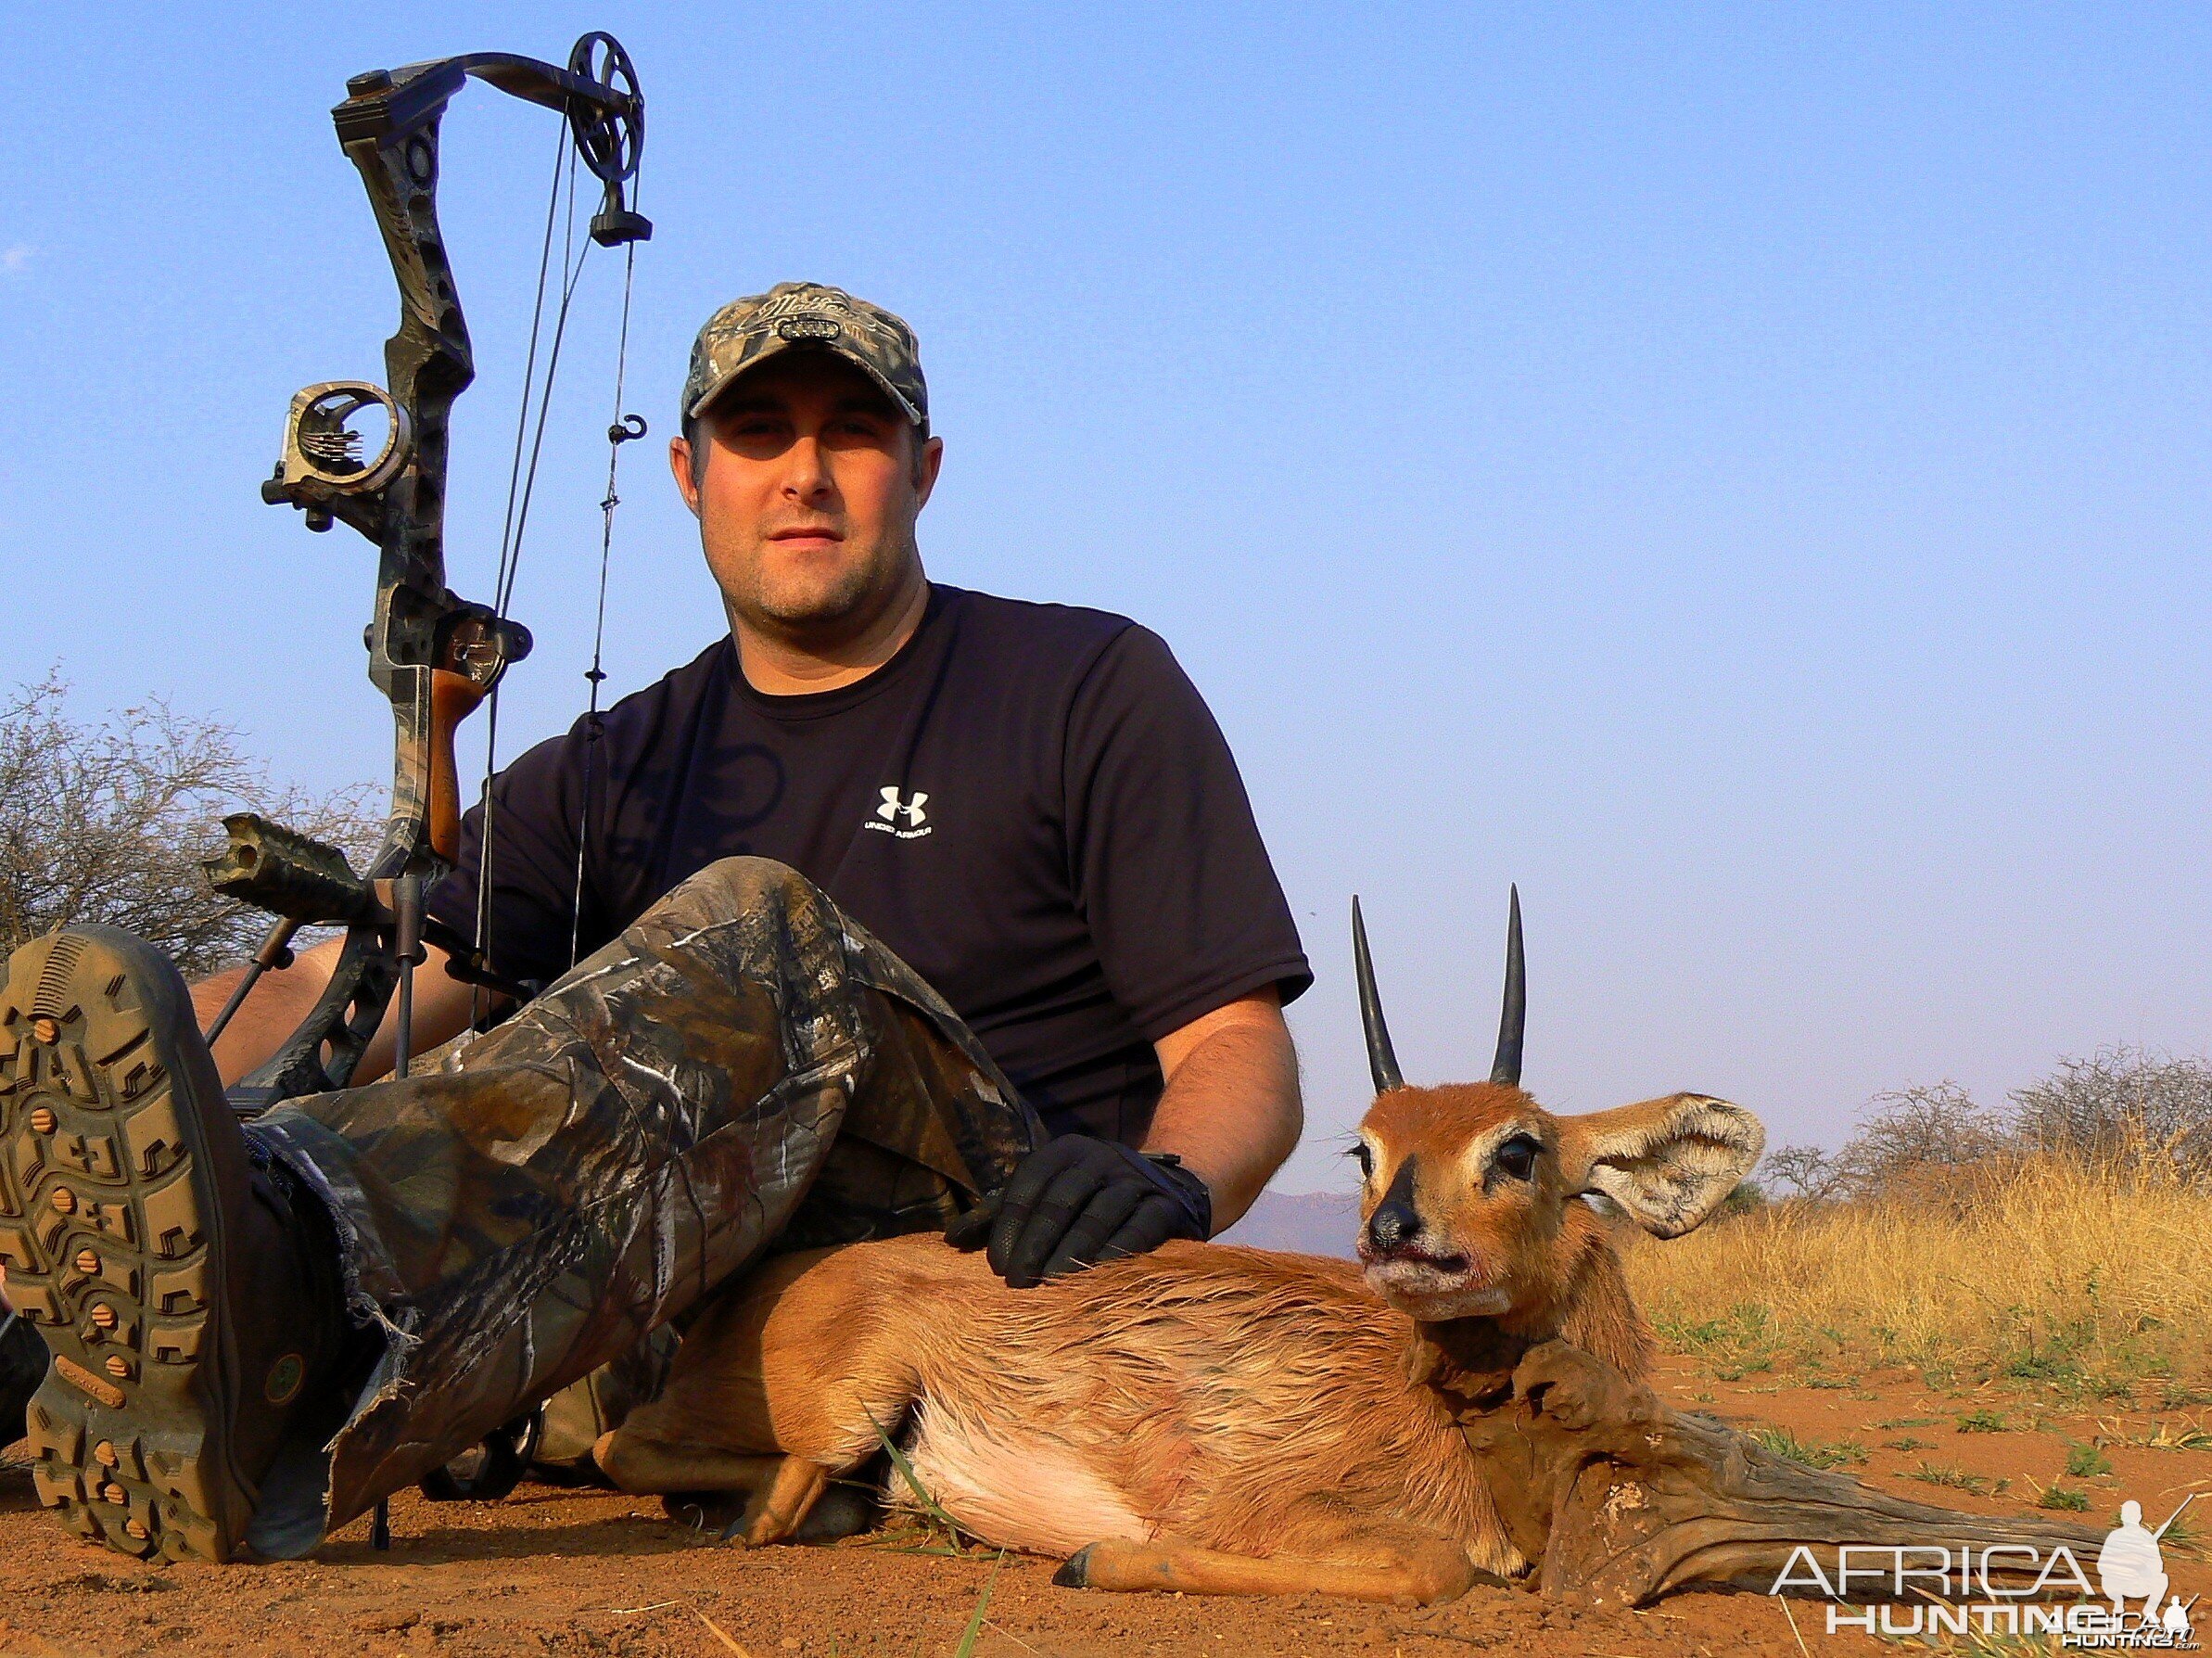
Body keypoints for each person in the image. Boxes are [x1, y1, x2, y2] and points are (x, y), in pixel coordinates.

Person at [0, 283, 1309, 1564]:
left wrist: (1169, 1181)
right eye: (759, 434)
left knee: (759, 926)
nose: (804, 472)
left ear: (924, 469)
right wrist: (69, 1096)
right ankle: (200, 1344)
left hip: (1000, 1280)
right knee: (415, 1076)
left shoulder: (1085, 686)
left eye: (851, 431)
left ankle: (285, 1277)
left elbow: (1235, 1045)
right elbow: (370, 987)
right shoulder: (613, 763)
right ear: (690, 473)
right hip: (701, 1330)